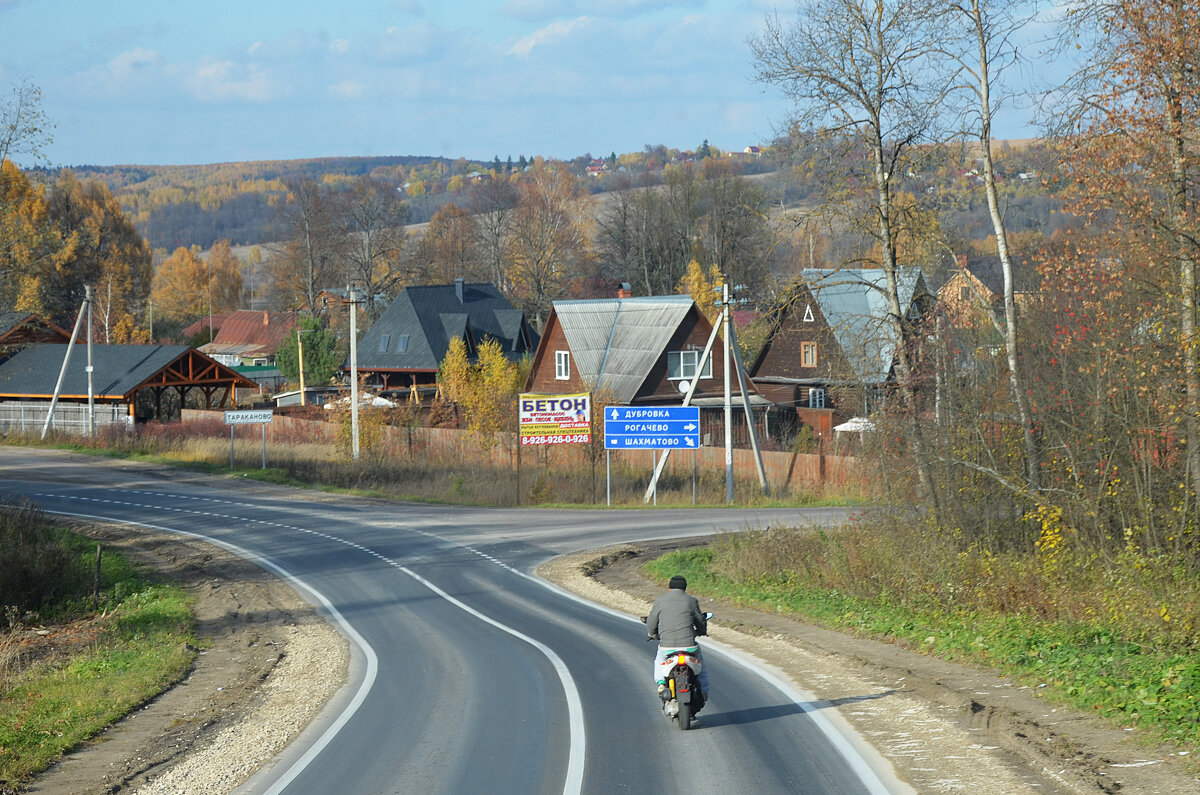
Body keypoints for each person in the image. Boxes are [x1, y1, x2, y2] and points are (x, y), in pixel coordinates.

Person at [645, 574, 709, 708]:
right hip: (689, 647)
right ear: (685, 589)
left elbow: (651, 622)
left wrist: (653, 634)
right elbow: (700, 621)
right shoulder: (691, 601)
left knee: (658, 662)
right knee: (701, 666)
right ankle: (704, 691)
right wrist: (702, 631)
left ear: (669, 588)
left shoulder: (660, 601)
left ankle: (661, 684)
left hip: (666, 647)